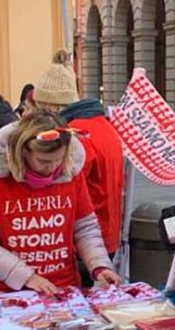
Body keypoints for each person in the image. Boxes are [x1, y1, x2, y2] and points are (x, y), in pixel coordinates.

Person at [0, 111, 122, 300]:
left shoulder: (71, 172)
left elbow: (85, 228)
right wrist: (26, 276)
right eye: (44, 161)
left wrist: (99, 265)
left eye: (59, 159)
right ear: (23, 151)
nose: (53, 167)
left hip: (59, 286)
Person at [33, 51, 126, 261]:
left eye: (40, 107)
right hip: (107, 233)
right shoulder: (105, 126)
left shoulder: (74, 135)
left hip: (84, 240)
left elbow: (65, 188)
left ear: (52, 106)